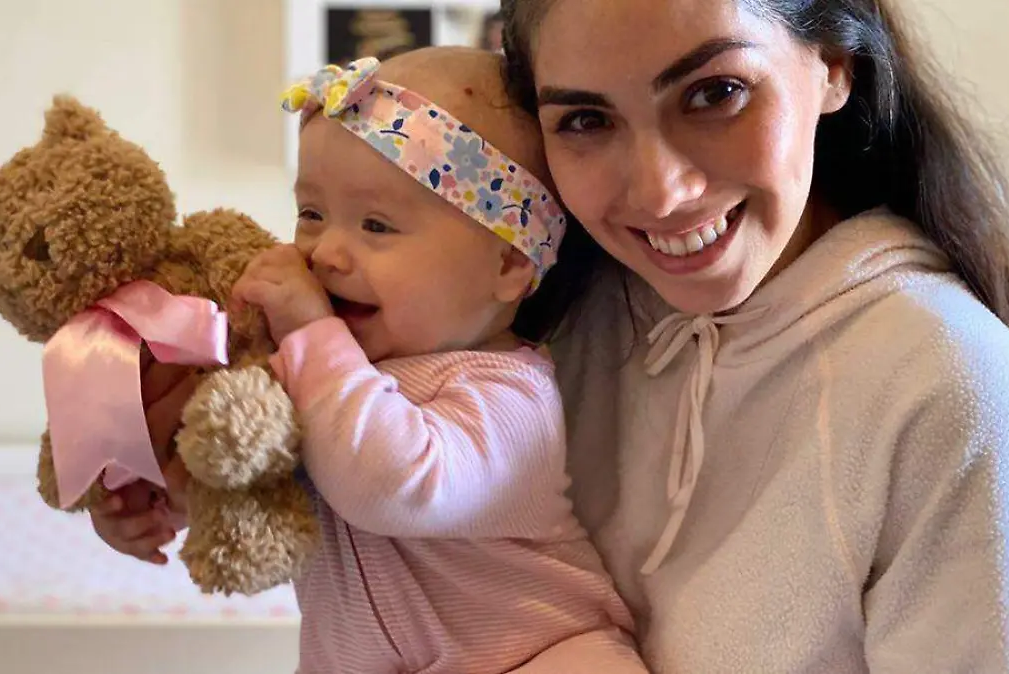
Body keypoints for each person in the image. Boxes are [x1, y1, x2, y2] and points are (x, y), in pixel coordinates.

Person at [496, 0, 1009, 671]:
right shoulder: (552, 324)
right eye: (587, 120)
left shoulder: (950, 394)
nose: (660, 193)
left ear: (834, 66)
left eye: (715, 93)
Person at [94, 47, 647, 674]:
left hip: (542, 652)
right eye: (311, 214)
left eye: (377, 226)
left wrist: (311, 332)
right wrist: (161, 503)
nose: (326, 253)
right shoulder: (311, 372)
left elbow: (393, 486)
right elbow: (263, 486)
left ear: (508, 264)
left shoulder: (510, 395)